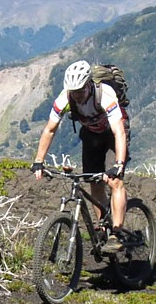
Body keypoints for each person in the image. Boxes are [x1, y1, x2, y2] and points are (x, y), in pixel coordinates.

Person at [31, 60, 129, 253]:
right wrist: (38, 161)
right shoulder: (64, 99)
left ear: (89, 84)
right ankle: (102, 227)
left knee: (114, 181)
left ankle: (116, 234)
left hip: (113, 134)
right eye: (73, 92)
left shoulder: (105, 95)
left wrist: (118, 164)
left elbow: (119, 132)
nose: (77, 95)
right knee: (94, 182)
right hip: (91, 135)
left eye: (80, 91)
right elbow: (50, 130)